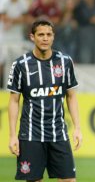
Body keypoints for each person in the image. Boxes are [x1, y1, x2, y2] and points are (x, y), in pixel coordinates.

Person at [7, 19, 82, 182]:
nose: (45, 38)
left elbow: (71, 96)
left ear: (53, 37)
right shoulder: (21, 65)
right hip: (31, 135)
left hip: (58, 133)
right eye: (41, 34)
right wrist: (13, 136)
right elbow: (14, 101)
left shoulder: (64, 62)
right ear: (32, 37)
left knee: (69, 179)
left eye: (49, 34)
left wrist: (77, 128)